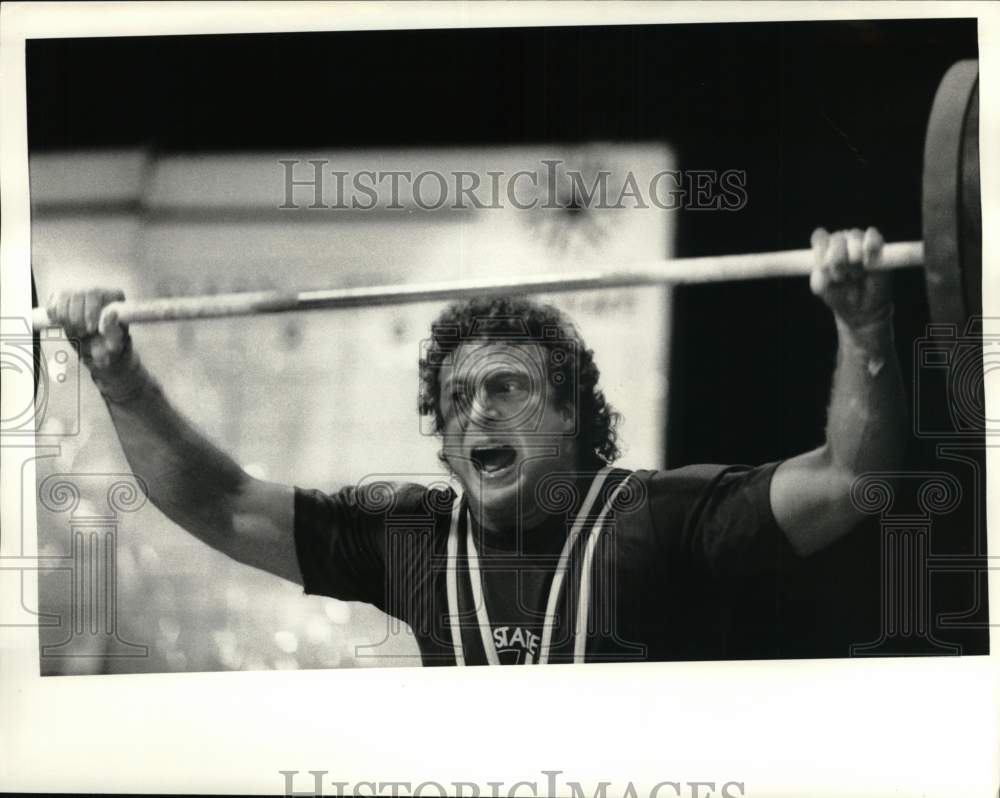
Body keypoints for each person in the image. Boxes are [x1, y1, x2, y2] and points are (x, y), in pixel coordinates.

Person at [46, 227, 906, 666]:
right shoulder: (409, 539)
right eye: (456, 399)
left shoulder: (662, 517)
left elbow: (848, 482)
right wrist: (118, 377)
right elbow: (224, 503)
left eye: (507, 387)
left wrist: (862, 322)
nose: (477, 413)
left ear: (570, 415)